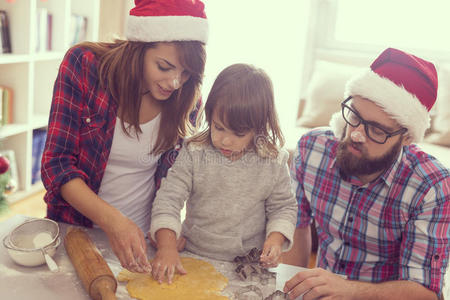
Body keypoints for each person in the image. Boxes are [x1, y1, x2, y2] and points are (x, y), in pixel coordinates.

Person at [41, 0, 208, 274]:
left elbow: (173, 182)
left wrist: (166, 233)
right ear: (139, 47)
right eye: (164, 67)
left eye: (186, 73)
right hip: (76, 234)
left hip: (142, 243)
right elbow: (56, 165)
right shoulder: (84, 66)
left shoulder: (187, 98)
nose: (174, 82)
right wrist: (113, 221)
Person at [283, 48, 450, 300]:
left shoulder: (432, 187)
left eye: (377, 130)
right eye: (355, 116)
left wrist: (348, 290)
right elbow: (298, 228)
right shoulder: (311, 149)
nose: (357, 134)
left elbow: (425, 293)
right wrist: (290, 288)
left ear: (405, 137)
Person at [148, 63, 298, 283]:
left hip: (246, 265)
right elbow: (168, 200)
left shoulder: (273, 161)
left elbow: (283, 207)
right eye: (218, 127)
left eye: (238, 133)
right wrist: (167, 245)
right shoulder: (194, 152)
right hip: (192, 256)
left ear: (259, 127)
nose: (225, 140)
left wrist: (275, 240)